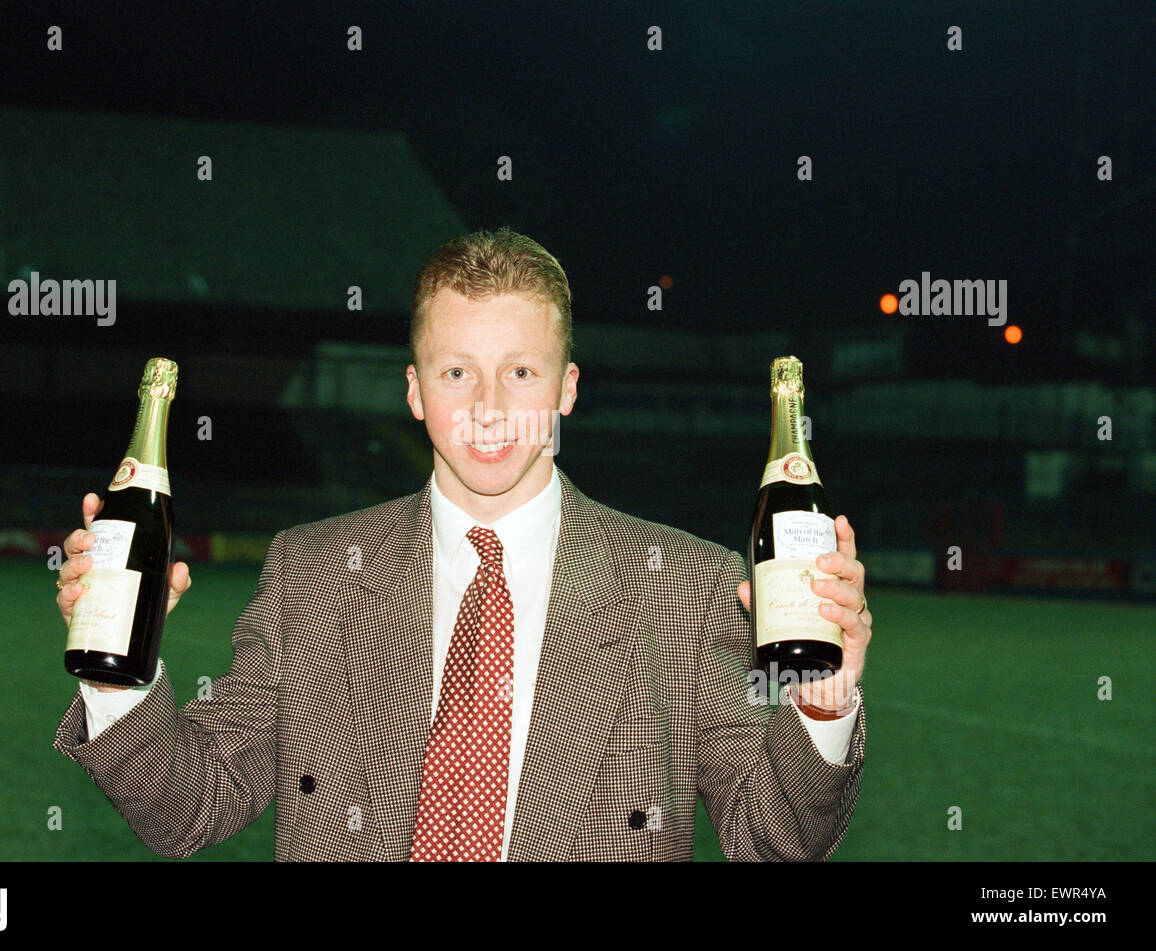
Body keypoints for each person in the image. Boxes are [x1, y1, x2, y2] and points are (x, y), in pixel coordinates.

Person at [52, 227, 872, 861]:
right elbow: (191, 808)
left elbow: (773, 840)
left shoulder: (686, 585)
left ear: (568, 389)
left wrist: (821, 703)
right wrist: (116, 673)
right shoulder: (311, 573)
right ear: (414, 390)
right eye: (455, 373)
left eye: (520, 372)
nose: (488, 405)